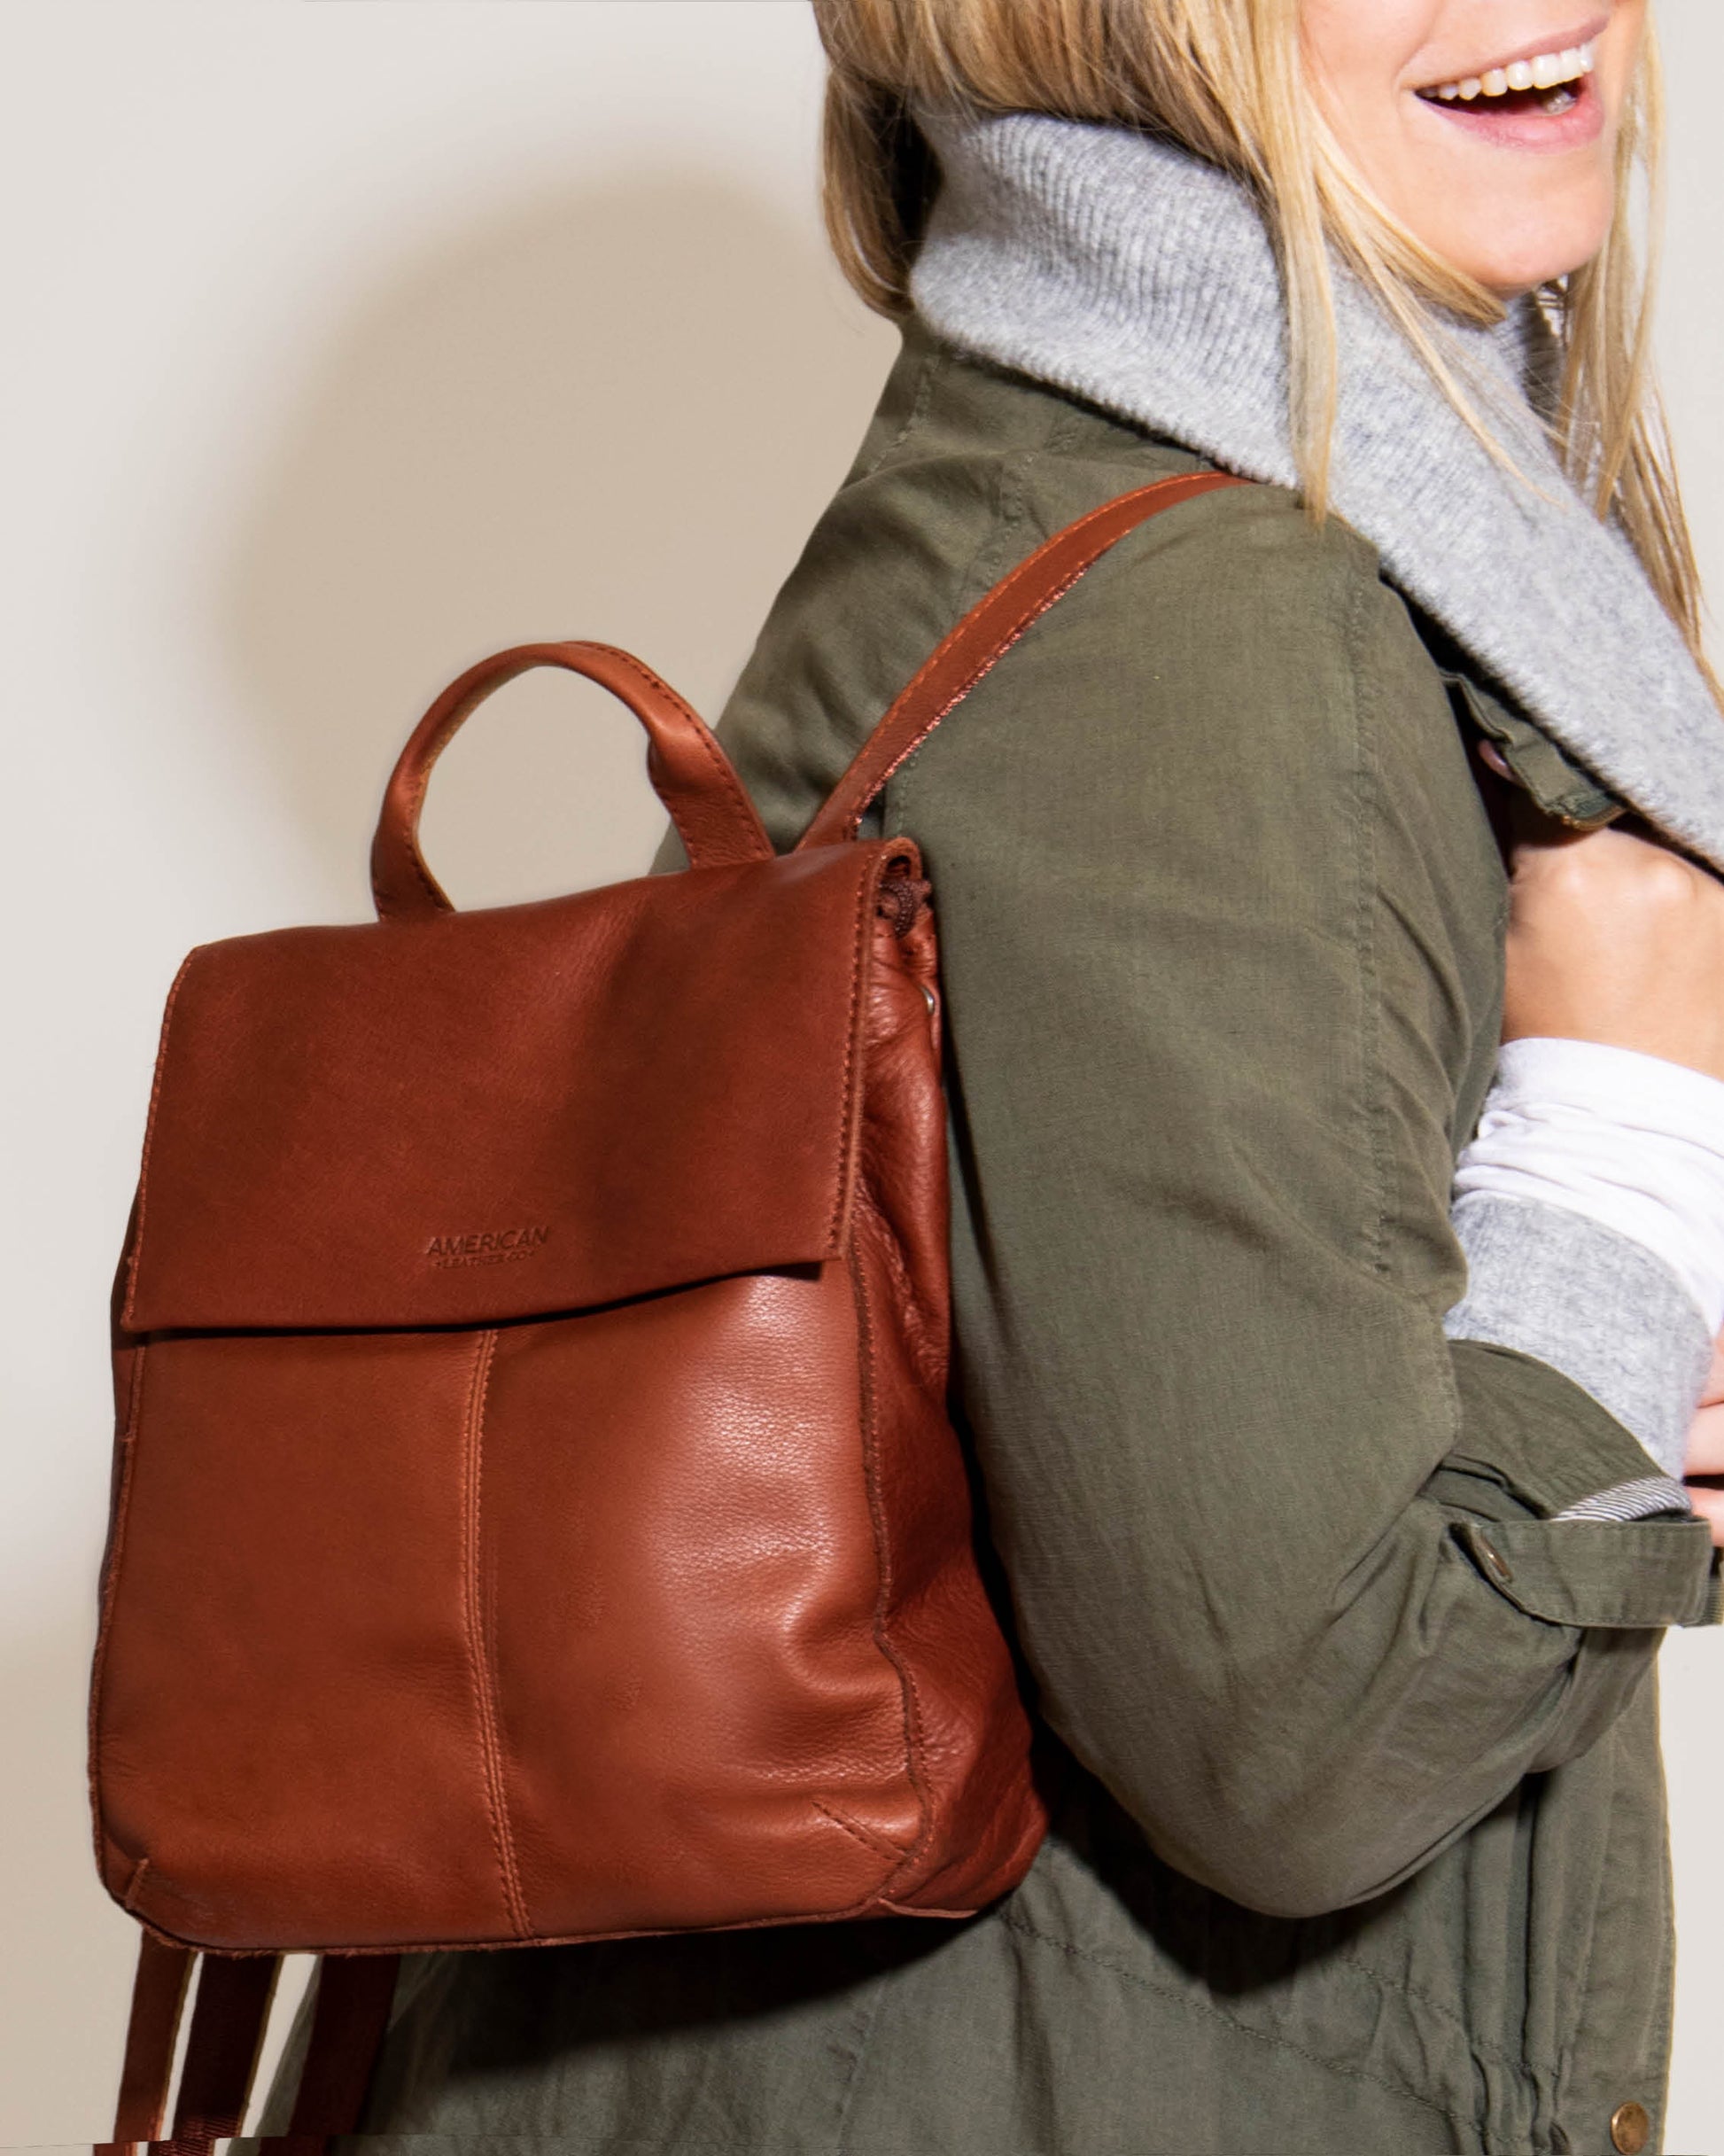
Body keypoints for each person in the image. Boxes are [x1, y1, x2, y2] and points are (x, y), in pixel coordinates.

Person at [268, 3, 1724, 2149]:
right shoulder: (1220, 613)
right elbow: (1308, 1734)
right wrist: (1621, 1116)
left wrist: (1600, 1363)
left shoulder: (1075, 468)